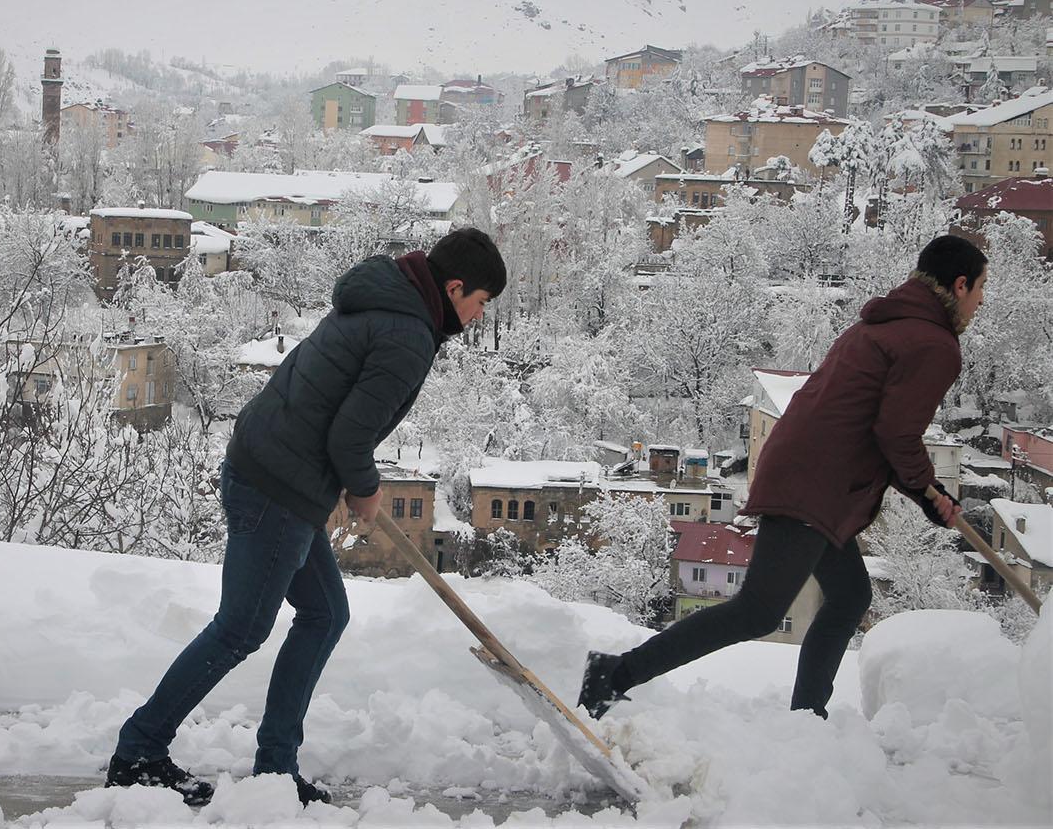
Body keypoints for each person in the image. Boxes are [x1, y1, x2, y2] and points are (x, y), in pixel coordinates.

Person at [106, 228, 507, 806]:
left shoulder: (386, 296)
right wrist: (364, 487)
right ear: (454, 287)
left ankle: (275, 764)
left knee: (324, 613)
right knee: (240, 629)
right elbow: (351, 435)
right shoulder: (407, 334)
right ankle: (139, 750)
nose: (477, 316)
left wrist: (337, 480)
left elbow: (331, 403)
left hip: (274, 465)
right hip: (278, 484)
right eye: (480, 301)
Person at [579, 234, 987, 722]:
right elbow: (896, 434)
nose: (982, 302)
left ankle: (806, 717)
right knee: (758, 611)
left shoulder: (883, 325)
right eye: (981, 288)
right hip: (817, 486)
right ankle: (615, 674)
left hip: (811, 476)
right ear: (959, 285)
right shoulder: (934, 344)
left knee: (851, 595)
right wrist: (929, 491)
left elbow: (872, 428)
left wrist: (927, 493)